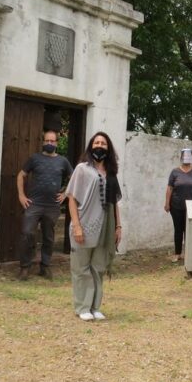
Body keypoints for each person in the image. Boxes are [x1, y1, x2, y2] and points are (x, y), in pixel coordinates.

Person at [65, 132, 123, 321]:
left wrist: (118, 226)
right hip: (84, 224)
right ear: (91, 146)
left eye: (103, 143)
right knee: (81, 268)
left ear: (108, 148)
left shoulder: (111, 173)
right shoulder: (82, 169)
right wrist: (76, 226)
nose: (100, 146)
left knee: (98, 267)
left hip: (105, 228)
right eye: (96, 142)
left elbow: (114, 203)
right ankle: (83, 307)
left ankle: (95, 307)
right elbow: (72, 199)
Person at [16, 130, 73, 281]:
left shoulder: (63, 161)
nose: (49, 143)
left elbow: (74, 178)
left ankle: (45, 266)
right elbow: (21, 175)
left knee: (48, 237)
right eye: (47, 141)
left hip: (52, 206)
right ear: (43, 142)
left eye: (52, 141)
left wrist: (65, 193)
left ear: (56, 143)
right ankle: (25, 267)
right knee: (27, 233)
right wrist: (21, 195)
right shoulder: (35, 158)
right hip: (34, 204)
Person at [164, 148, 192, 262]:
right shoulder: (174, 172)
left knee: (189, 231)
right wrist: (167, 203)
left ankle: (188, 253)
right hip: (176, 206)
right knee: (178, 230)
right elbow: (169, 188)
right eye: (184, 155)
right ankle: (177, 254)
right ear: (181, 157)